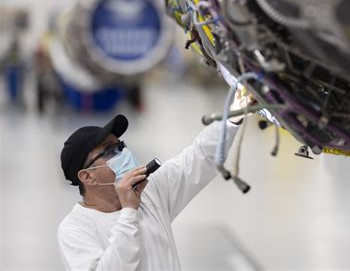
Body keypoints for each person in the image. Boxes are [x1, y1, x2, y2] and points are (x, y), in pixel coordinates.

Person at [58, 96, 246, 270]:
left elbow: (200, 157)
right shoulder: (75, 229)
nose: (123, 153)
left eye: (120, 145)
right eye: (110, 151)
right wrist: (129, 211)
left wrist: (234, 115)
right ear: (88, 177)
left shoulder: (150, 191)